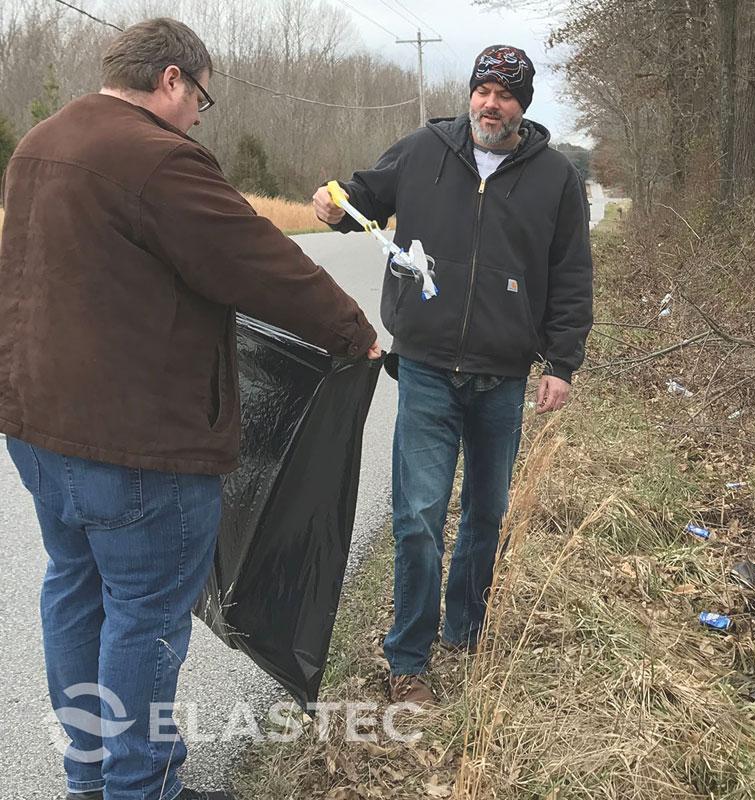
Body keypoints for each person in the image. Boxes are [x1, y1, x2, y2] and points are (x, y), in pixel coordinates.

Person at [0, 18, 381, 800]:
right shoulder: (157, 157)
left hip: (37, 428)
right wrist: (352, 330)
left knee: (75, 589)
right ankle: (142, 790)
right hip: (136, 447)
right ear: (171, 79)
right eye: (200, 97)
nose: (200, 115)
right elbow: (258, 259)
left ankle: (91, 778)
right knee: (142, 616)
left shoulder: (42, 140)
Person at [312, 44, 593, 706]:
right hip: (429, 369)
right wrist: (336, 203)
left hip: (503, 375)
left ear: (523, 105)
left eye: (505, 93)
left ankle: (465, 630)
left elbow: (573, 276)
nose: (490, 102)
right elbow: (363, 196)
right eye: (482, 90)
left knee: (486, 512)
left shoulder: (554, 178)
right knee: (416, 516)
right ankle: (408, 658)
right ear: (470, 93)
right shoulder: (423, 150)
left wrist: (563, 363)